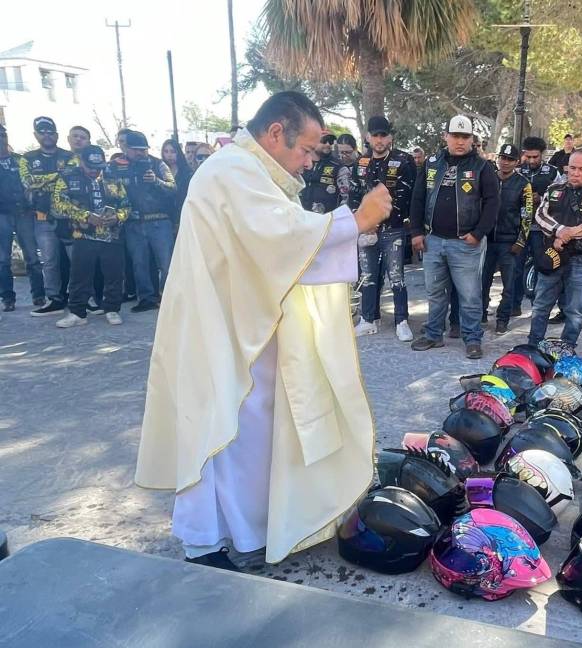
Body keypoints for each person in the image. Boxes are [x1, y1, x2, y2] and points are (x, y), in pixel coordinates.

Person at [135, 91, 392, 571]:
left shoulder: (255, 172)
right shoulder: (231, 170)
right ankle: (203, 542)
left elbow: (282, 234)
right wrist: (356, 221)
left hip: (240, 321)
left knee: (246, 430)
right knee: (218, 425)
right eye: (308, 149)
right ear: (276, 132)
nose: (311, 161)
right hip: (217, 324)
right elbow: (278, 238)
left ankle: (250, 529)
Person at [408, 115, 498, 359]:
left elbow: (492, 204)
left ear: (471, 139)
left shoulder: (482, 167)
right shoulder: (431, 164)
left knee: (469, 295)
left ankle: (472, 339)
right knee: (435, 292)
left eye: (465, 137)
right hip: (433, 240)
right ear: (445, 136)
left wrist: (478, 234)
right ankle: (433, 334)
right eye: (455, 136)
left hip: (465, 243)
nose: (460, 141)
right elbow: (417, 198)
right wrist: (416, 232)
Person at [527, 150, 582, 348]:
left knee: (575, 310)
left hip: (580, 258)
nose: (576, 173)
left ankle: (567, 348)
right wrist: (559, 230)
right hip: (553, 255)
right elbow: (540, 215)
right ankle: (532, 347)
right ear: (567, 168)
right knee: (540, 306)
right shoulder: (554, 188)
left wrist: (569, 233)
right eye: (573, 168)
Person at [350, 115, 417, 341]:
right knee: (367, 277)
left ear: (390, 137)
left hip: (393, 229)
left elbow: (407, 197)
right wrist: (361, 223)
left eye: (383, 135)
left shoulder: (404, 160)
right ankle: (368, 319)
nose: (379, 140)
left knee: (396, 277)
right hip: (366, 231)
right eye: (375, 135)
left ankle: (402, 321)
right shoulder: (360, 163)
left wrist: (378, 220)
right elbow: (353, 196)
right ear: (367, 137)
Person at [51, 145, 128, 328]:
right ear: (81, 161)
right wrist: (85, 216)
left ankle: (112, 309)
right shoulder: (68, 177)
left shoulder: (113, 178)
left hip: (112, 236)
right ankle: (78, 313)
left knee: (114, 275)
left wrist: (118, 217)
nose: (94, 171)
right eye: (90, 167)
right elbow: (58, 204)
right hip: (83, 235)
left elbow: (127, 205)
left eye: (98, 167)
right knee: (79, 276)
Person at [22, 116, 76, 317]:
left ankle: (77, 296)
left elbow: (72, 178)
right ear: (36, 134)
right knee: (49, 260)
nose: (47, 135)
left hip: (68, 216)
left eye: (50, 132)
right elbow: (28, 182)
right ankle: (54, 298)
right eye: (42, 131)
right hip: (42, 217)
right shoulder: (26, 158)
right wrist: (57, 176)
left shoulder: (69, 156)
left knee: (75, 259)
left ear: (57, 135)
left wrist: (44, 182)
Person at [119, 131, 177, 313]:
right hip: (133, 223)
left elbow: (173, 187)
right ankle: (146, 299)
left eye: (143, 149)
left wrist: (157, 181)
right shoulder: (117, 166)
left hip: (159, 221)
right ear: (126, 148)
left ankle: (168, 297)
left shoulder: (158, 164)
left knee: (166, 263)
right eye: (136, 150)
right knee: (139, 264)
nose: (140, 153)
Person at [482, 143, 533, 334]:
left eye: (510, 159)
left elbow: (527, 214)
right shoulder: (488, 179)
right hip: (486, 240)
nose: (505, 162)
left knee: (509, 285)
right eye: (502, 157)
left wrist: (521, 240)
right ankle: (481, 314)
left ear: (517, 162)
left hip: (509, 242)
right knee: (483, 281)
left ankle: (502, 319)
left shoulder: (523, 184)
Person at [0, 124, 45, 312]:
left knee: (32, 257)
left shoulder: (20, 161)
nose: (1, 138)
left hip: (24, 213)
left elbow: (32, 185)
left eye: (2, 134)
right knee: (3, 259)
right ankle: (7, 298)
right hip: (2, 215)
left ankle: (39, 295)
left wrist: (31, 206)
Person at [514, 136, 560, 316]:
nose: (532, 160)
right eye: (529, 156)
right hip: (520, 230)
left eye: (536, 157)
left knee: (543, 266)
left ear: (543, 155)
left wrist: (541, 199)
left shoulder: (553, 172)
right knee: (516, 268)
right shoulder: (517, 171)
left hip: (542, 230)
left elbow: (560, 198)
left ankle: (538, 306)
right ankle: (514, 305)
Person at [299, 133, 351, 215]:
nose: (327, 144)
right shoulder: (300, 163)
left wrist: (338, 220)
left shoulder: (339, 167)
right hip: (300, 218)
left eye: (330, 141)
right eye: (324, 140)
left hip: (326, 222)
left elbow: (346, 197)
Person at [161, 140, 194, 230]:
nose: (169, 155)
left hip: (183, 214)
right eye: (166, 151)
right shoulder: (159, 172)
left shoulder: (187, 173)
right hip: (165, 217)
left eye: (173, 151)